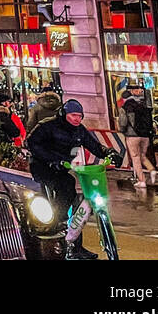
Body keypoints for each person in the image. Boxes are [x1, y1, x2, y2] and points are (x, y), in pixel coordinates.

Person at [25, 98, 120, 260]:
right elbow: (32, 144)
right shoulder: (48, 126)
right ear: (64, 114)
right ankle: (57, 225)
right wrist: (52, 159)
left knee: (75, 200)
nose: (77, 119)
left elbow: (94, 145)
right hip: (43, 167)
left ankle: (75, 247)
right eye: (73, 115)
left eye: (80, 116)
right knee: (65, 188)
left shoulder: (79, 130)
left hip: (63, 166)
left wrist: (109, 152)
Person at [117, 85, 155, 188]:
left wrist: (122, 131)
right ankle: (152, 170)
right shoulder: (142, 106)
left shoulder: (125, 107)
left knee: (135, 158)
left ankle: (142, 181)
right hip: (145, 135)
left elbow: (123, 123)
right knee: (142, 156)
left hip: (132, 135)